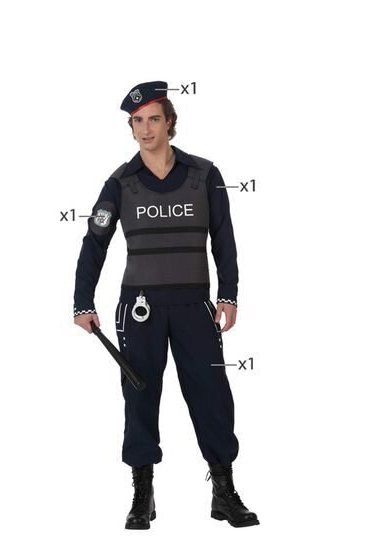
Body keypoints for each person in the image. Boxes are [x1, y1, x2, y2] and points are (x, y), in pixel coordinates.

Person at [73, 81, 259, 529]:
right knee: (140, 397)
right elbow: (94, 243)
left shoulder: (205, 175)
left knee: (211, 395)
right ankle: (143, 493)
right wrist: (83, 301)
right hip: (141, 309)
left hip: (195, 307)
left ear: (170, 122)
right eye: (137, 121)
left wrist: (228, 294)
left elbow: (225, 239)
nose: (145, 129)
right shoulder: (121, 182)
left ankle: (224, 491)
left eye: (153, 119)